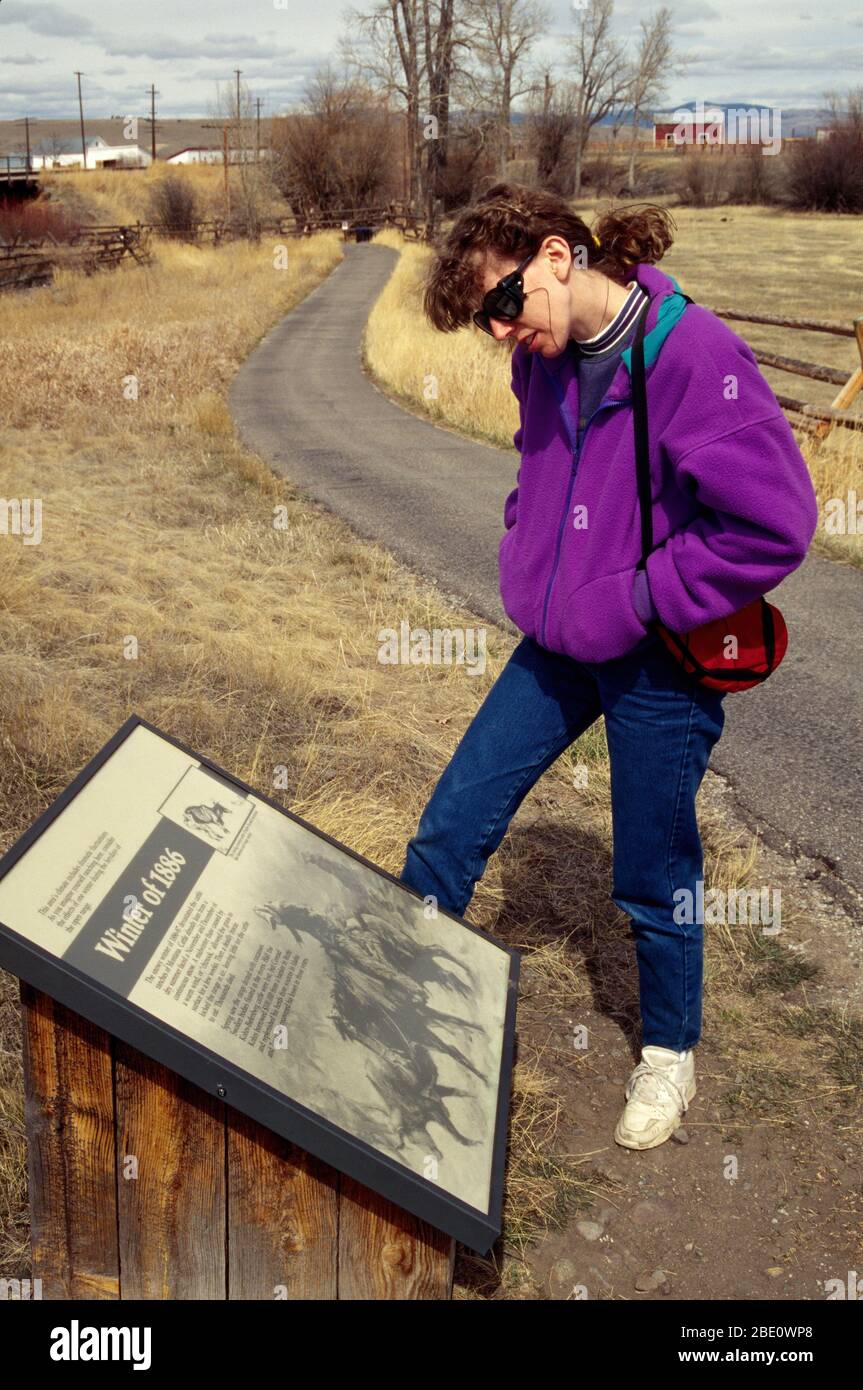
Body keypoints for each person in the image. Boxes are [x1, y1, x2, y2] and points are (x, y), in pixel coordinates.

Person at [398, 182, 818, 1150]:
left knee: (650, 869)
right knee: (453, 820)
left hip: (654, 665)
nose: (500, 331)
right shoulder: (542, 362)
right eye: (482, 321)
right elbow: (537, 471)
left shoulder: (690, 355)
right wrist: (529, 553)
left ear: (555, 255)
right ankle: (396, 987)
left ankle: (667, 1054)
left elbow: (772, 526)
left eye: (502, 303)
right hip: (554, 645)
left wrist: (631, 597)